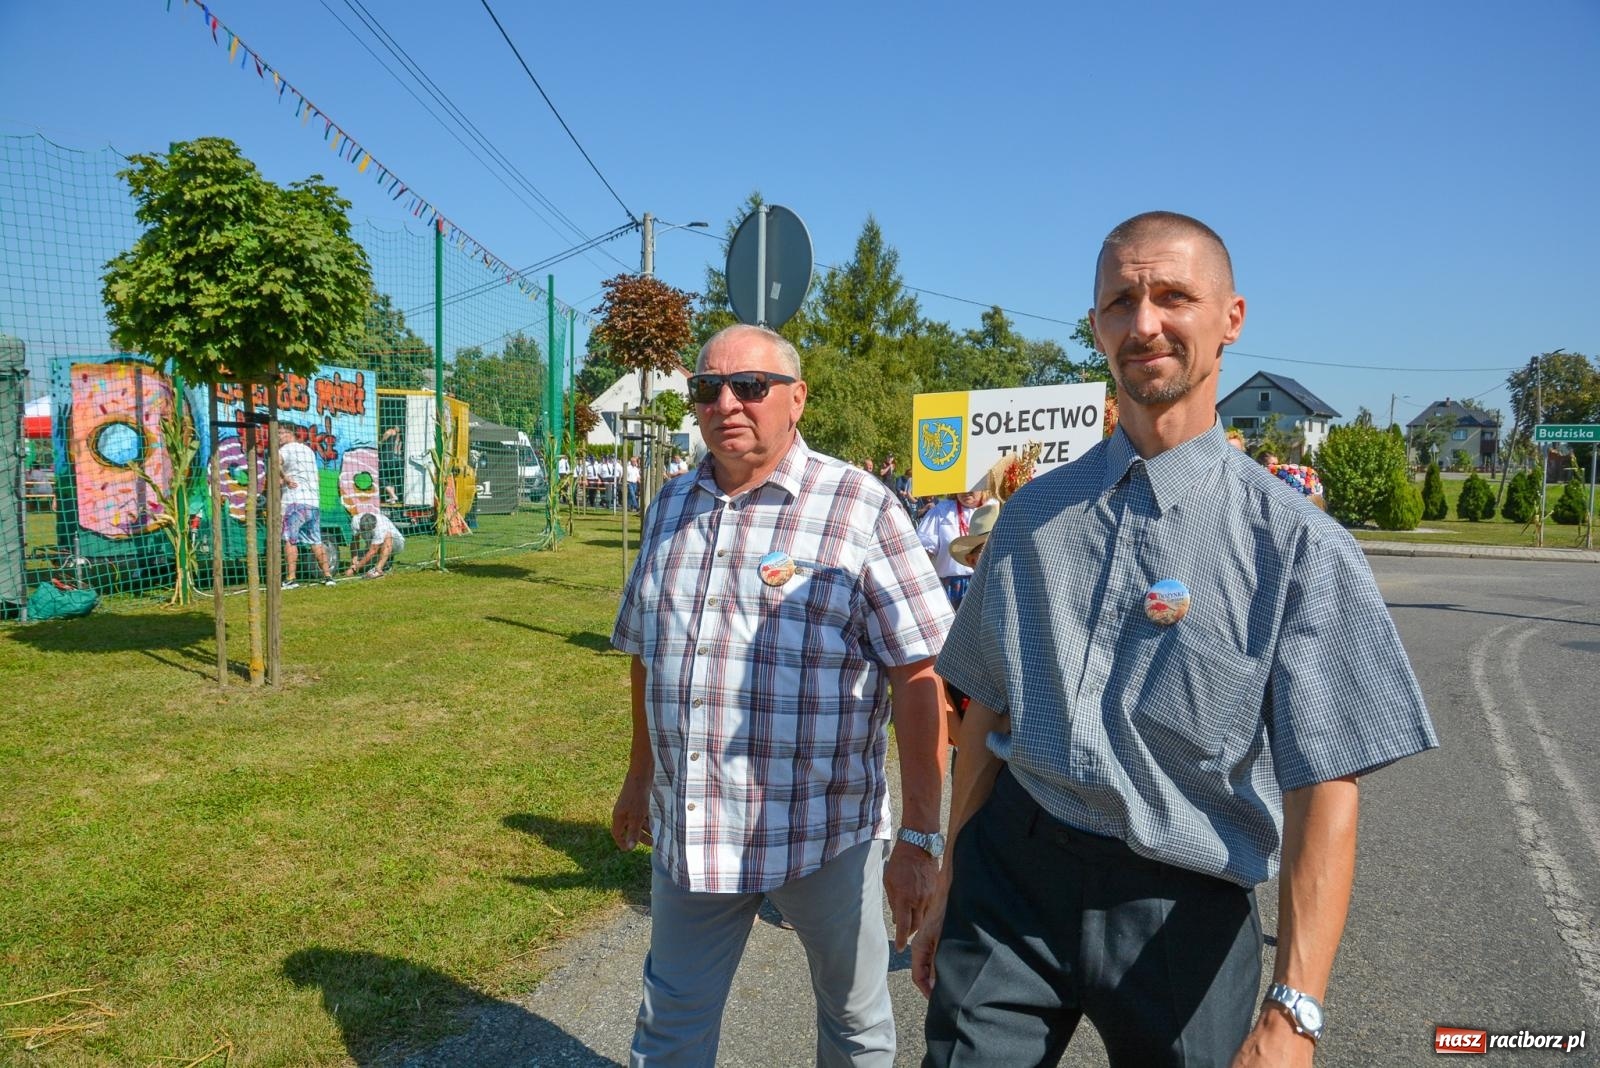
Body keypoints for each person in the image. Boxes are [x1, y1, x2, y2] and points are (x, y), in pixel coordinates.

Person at [915, 212, 1438, 1068]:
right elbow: (987, 708)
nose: (1145, 323)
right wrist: (949, 881)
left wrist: (1295, 1010)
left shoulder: (1295, 547)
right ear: (1096, 326)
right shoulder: (1033, 517)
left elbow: (1325, 787)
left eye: (1173, 296)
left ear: (1231, 317)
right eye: (1121, 302)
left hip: (1182, 907)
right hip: (1013, 877)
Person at [611, 323, 953, 1067]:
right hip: (694, 831)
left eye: (749, 386)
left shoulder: (858, 506)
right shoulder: (670, 506)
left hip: (824, 834)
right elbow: (646, 651)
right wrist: (639, 777)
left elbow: (920, 673)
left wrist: (921, 837)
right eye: (707, 388)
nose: (726, 403)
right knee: (669, 1022)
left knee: (855, 1023)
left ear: (796, 399)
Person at [277, 425, 335, 588]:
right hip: (312, 502)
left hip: (294, 502)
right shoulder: (308, 451)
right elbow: (315, 476)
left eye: (280, 433)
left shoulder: (286, 449)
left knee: (290, 540)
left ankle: (291, 578)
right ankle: (328, 576)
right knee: (316, 541)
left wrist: (285, 478)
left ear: (290, 434)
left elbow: (275, 463)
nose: (278, 437)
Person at [916, 488, 988, 611]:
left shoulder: (994, 508)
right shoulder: (942, 511)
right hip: (951, 586)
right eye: (962, 487)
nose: (966, 491)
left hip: (985, 584)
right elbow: (924, 550)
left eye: (973, 487)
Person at [345, 510, 405, 578]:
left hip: (396, 544)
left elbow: (373, 550)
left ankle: (378, 569)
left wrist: (355, 568)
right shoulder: (355, 520)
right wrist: (354, 561)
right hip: (374, 546)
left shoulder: (381, 526)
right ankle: (386, 561)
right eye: (363, 529)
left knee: (388, 536)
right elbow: (355, 540)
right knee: (363, 567)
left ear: (374, 526)